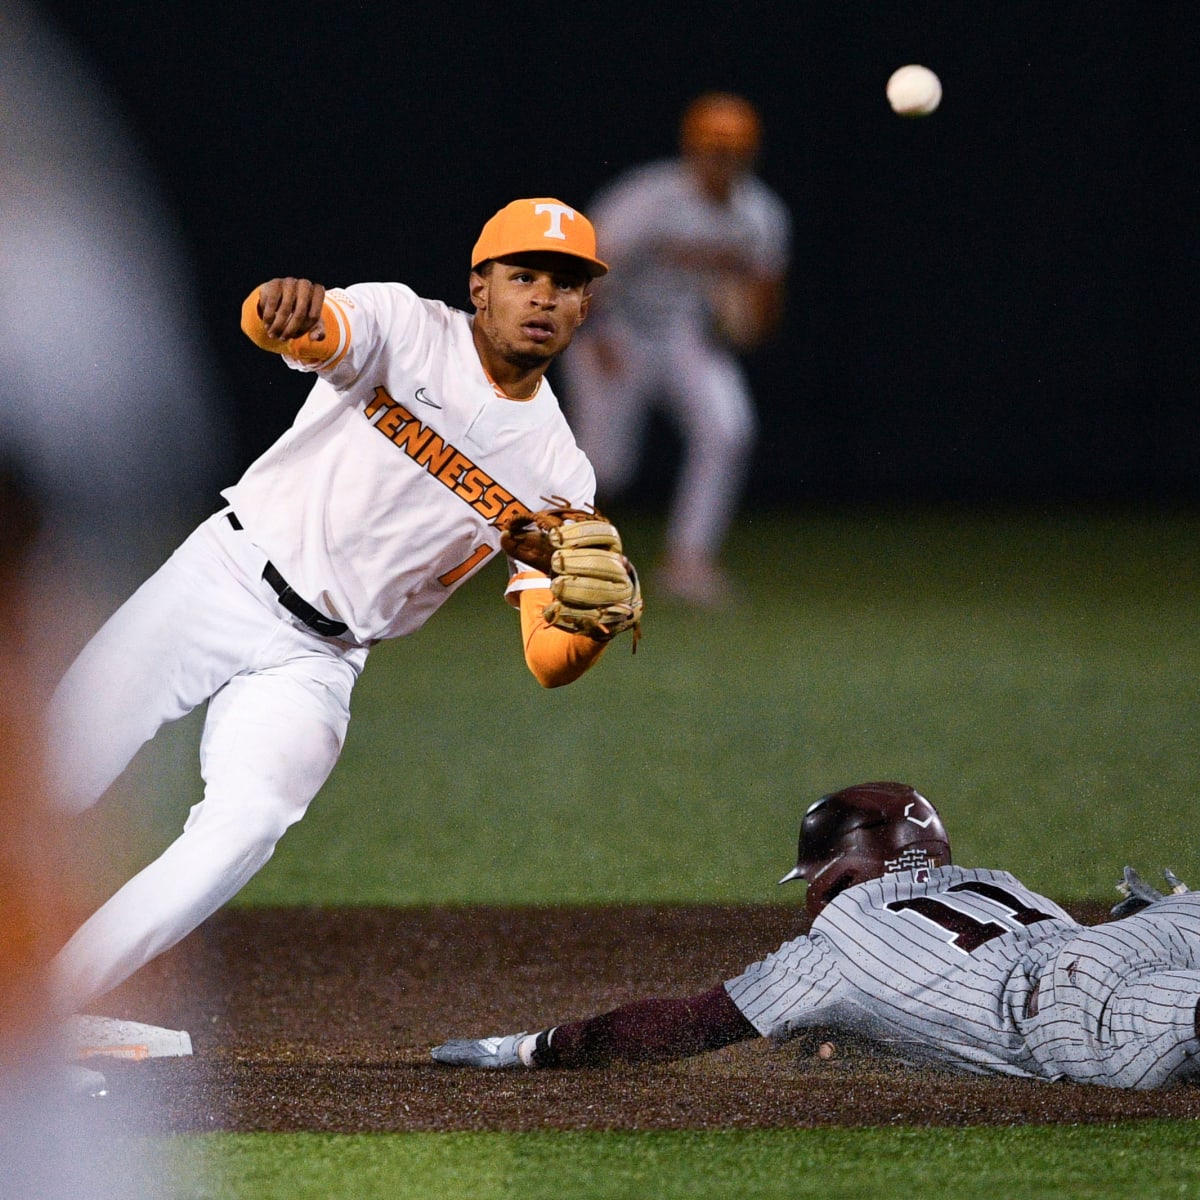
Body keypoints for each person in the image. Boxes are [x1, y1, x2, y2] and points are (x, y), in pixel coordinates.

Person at [46, 198, 640, 1035]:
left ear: (587, 306)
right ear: (481, 286)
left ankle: (42, 1007)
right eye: (524, 276)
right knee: (52, 770)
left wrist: (590, 631)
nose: (543, 297)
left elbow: (547, 659)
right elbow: (303, 327)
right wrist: (278, 309)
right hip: (221, 579)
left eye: (567, 284)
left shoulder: (560, 473)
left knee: (244, 827)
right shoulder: (405, 324)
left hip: (319, 662)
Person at [432, 781, 1200, 1090]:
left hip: (1081, 1006)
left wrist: (538, 1046)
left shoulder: (832, 948)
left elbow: (686, 1025)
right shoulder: (997, 882)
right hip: (1144, 932)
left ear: (835, 871)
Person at [561, 92, 792, 607]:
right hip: (614, 328)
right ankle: (560, 560)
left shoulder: (760, 214)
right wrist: (590, 336)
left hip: (685, 334)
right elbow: (582, 266)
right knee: (605, 465)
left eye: (733, 149)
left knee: (727, 430)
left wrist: (744, 322)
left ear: (751, 153)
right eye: (713, 148)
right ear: (692, 149)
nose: (723, 159)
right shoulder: (649, 198)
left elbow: (764, 303)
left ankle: (688, 562)